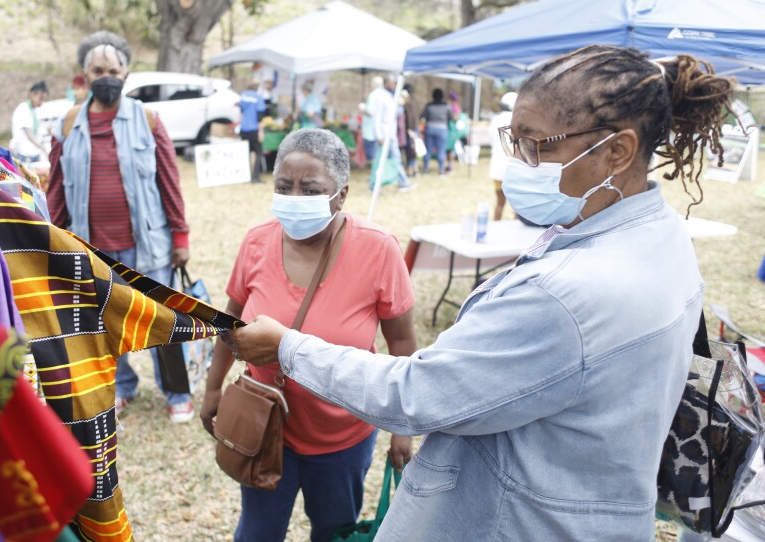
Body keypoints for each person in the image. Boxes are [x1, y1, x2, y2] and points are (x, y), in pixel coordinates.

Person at [226, 45, 734, 540]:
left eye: (539, 145)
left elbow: (416, 394)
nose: (519, 161)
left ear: (617, 152)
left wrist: (288, 347)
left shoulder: (566, 295)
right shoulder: (662, 234)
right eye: (514, 140)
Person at [201, 128, 417, 542]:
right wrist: (212, 391)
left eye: (310, 188)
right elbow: (228, 324)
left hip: (343, 436)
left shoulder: (378, 249)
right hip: (265, 428)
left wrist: (401, 426)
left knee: (333, 530)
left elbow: (403, 343)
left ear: (342, 194)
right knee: (258, 532)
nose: (295, 198)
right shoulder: (257, 243)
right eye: (284, 186)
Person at [47, 31, 194, 423]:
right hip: (91, 247)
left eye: (114, 69)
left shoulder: (148, 119)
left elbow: (169, 181)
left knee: (162, 319)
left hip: (148, 246)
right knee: (104, 322)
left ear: (127, 73)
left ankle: (177, 391)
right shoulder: (67, 124)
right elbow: (57, 189)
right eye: (98, 70)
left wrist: (180, 235)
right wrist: (51, 237)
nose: (106, 76)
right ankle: (123, 386)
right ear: (84, 73)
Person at [369, 74, 414, 192]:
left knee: (395, 158)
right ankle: (374, 185)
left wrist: (401, 105)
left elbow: (393, 115)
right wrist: (379, 135)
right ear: (386, 83)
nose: (394, 85)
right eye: (392, 82)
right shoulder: (381, 97)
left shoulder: (391, 97)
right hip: (384, 135)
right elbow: (377, 117)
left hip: (391, 134)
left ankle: (402, 183)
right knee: (381, 160)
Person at [487, 91, 517, 220]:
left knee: (499, 204)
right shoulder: (518, 120)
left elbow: (490, 140)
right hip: (514, 168)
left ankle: (496, 227)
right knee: (518, 207)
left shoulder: (495, 119)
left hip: (497, 167)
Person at [9, 80, 48, 163]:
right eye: (40, 99)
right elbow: (30, 135)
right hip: (23, 155)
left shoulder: (34, 110)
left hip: (33, 154)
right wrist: (43, 148)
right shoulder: (23, 109)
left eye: (44, 99)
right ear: (31, 94)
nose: (41, 102)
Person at [238, 82, 266, 183]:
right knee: (258, 153)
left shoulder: (243, 96)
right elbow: (259, 117)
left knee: (246, 153)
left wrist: (238, 126)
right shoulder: (258, 98)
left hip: (243, 128)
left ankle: (245, 175)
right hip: (253, 129)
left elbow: (241, 112)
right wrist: (261, 132)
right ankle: (255, 177)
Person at [420, 88, 450, 175]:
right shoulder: (446, 105)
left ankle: (425, 169)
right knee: (441, 150)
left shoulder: (429, 105)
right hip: (442, 129)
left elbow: (422, 116)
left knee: (428, 150)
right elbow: (450, 117)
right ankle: (441, 170)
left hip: (430, 128)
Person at [402, 84, 420, 177]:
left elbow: (410, 116)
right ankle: (415, 170)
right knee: (414, 150)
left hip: (411, 129)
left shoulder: (408, 102)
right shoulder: (416, 101)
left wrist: (409, 128)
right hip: (416, 128)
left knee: (410, 150)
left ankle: (410, 170)